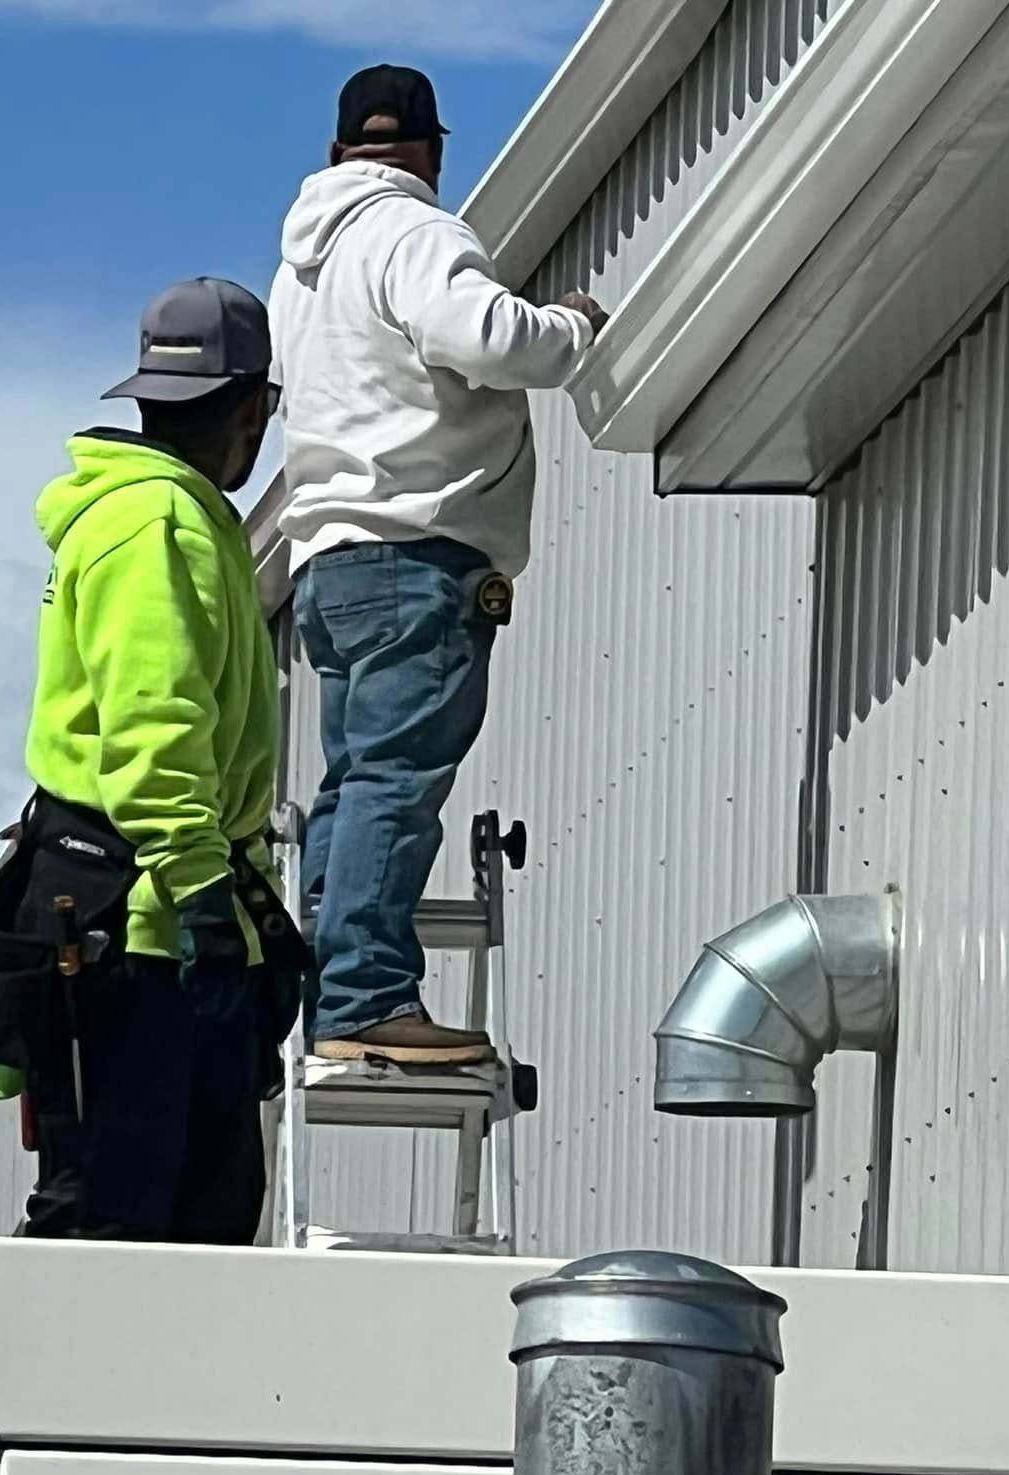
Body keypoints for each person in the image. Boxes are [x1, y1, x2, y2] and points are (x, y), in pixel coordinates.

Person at [0, 278, 302, 1243]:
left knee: (158, 1218)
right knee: (138, 1225)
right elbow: (155, 728)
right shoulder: (160, 525)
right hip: (142, 933)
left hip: (122, 910)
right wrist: (205, 900)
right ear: (253, 406)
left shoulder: (136, 514)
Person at [269, 64, 608, 1065]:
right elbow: (488, 336)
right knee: (394, 784)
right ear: (430, 151)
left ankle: (327, 983)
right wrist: (573, 326)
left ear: (338, 151)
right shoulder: (415, 229)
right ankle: (368, 995)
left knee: (354, 782)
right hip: (417, 551)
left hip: (330, 560)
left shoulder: (301, 268)